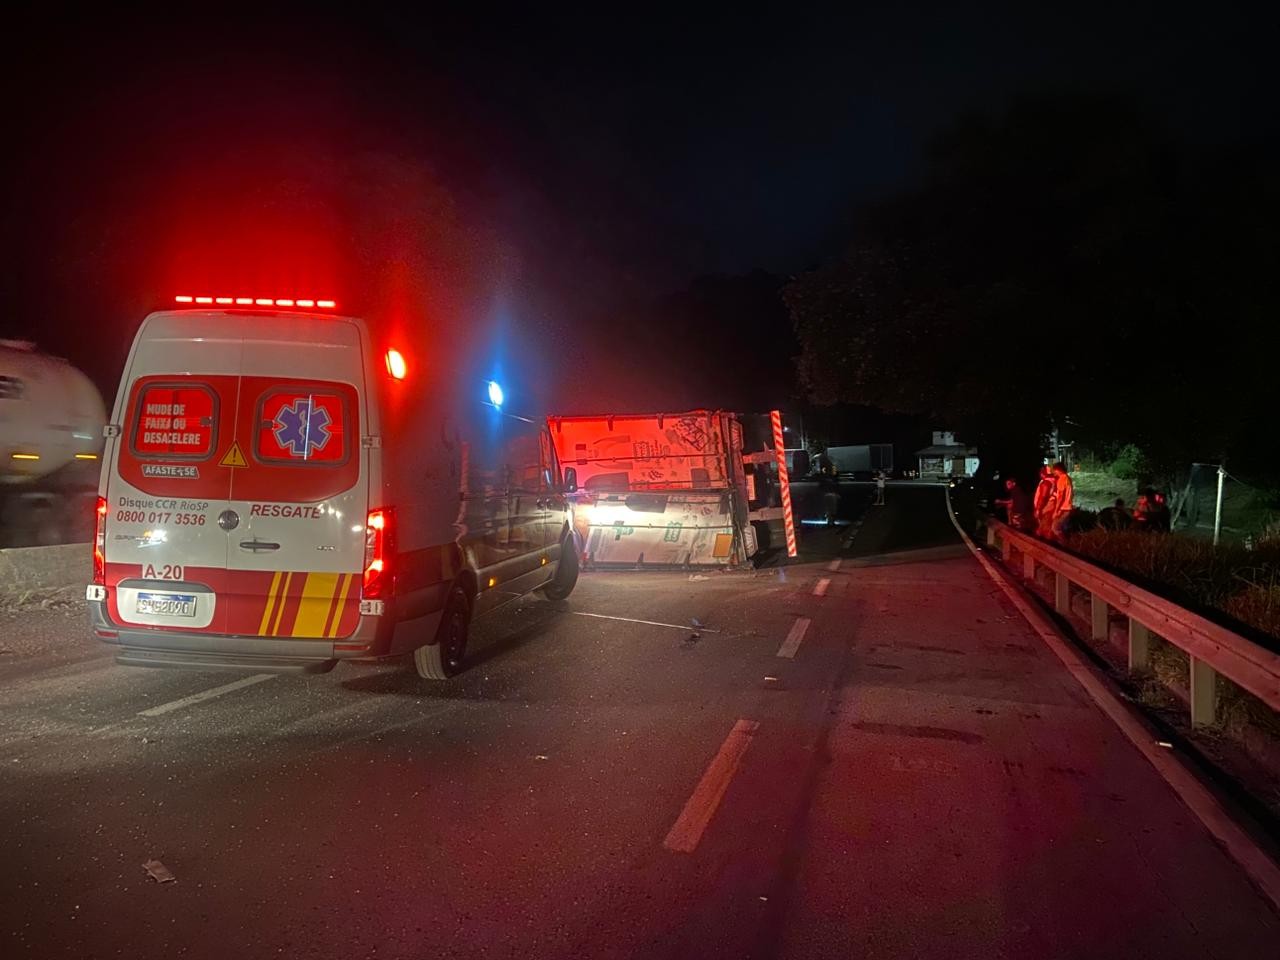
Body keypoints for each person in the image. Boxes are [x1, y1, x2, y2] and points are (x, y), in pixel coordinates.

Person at [1049, 461, 1074, 543]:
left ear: (1058, 470)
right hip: (1068, 507)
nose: (1053, 472)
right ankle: (1068, 544)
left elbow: (1061, 497)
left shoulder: (1062, 479)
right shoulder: (1068, 478)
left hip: (1063, 508)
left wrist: (1056, 510)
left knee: (1055, 527)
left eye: (1054, 470)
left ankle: (1064, 544)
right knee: (1064, 528)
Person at [1033, 465, 1056, 538]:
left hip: (1046, 509)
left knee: (1045, 531)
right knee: (1042, 530)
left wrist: (1038, 509)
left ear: (1042, 473)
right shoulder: (1053, 480)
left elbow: (1043, 497)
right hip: (1049, 508)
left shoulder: (1046, 483)